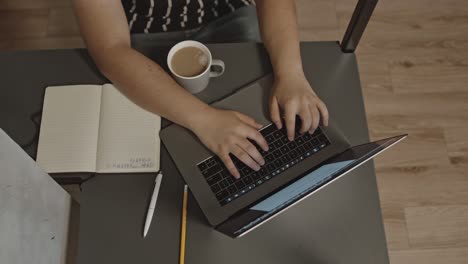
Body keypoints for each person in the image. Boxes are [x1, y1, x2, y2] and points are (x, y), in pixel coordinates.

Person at [73, 0, 329, 178]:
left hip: (227, 13)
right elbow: (110, 50)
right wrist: (203, 119)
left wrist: (291, 73)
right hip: (145, 27)